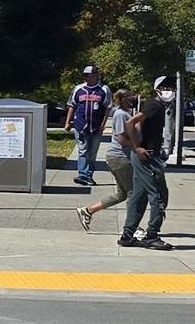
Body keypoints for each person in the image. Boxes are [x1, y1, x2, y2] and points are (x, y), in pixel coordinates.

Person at [115, 77, 174, 250]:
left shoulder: (158, 107)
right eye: (164, 87)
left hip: (147, 156)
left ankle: (127, 235)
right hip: (147, 157)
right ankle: (152, 236)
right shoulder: (154, 105)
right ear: (156, 90)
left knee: (139, 196)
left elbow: (139, 126)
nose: (168, 91)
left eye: (171, 87)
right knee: (159, 196)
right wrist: (137, 147)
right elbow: (130, 123)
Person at [76, 88, 136, 230]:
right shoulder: (121, 114)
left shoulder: (125, 113)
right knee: (133, 193)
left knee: (122, 194)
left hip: (118, 157)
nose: (133, 98)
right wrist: (138, 146)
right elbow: (122, 139)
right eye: (130, 96)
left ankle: (88, 211)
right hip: (120, 158)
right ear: (122, 99)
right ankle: (132, 227)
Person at [67, 66, 111, 186]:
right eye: (85, 75)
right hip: (80, 125)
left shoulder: (104, 89)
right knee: (82, 150)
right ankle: (82, 174)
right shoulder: (78, 89)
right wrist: (68, 122)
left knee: (92, 152)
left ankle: (89, 175)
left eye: (89, 75)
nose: (87, 78)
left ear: (96, 76)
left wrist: (103, 124)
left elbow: (107, 108)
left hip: (96, 126)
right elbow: (72, 105)